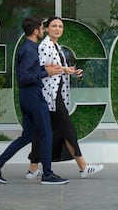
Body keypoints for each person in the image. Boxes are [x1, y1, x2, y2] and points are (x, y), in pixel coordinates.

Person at [0, 16, 69, 185]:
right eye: (42, 27)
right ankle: (47, 174)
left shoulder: (29, 47)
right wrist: (46, 73)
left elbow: (29, 71)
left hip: (28, 96)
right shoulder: (30, 50)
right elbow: (24, 77)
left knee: (28, 136)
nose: (44, 30)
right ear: (35, 31)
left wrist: (45, 69)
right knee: (47, 133)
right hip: (33, 96)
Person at [26, 16, 104, 179]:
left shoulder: (56, 47)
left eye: (60, 26)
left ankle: (33, 170)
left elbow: (57, 69)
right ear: (46, 29)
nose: (57, 29)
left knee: (43, 132)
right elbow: (41, 68)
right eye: (54, 26)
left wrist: (72, 72)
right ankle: (83, 167)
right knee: (68, 129)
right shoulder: (45, 46)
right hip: (50, 96)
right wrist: (63, 69)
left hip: (56, 94)